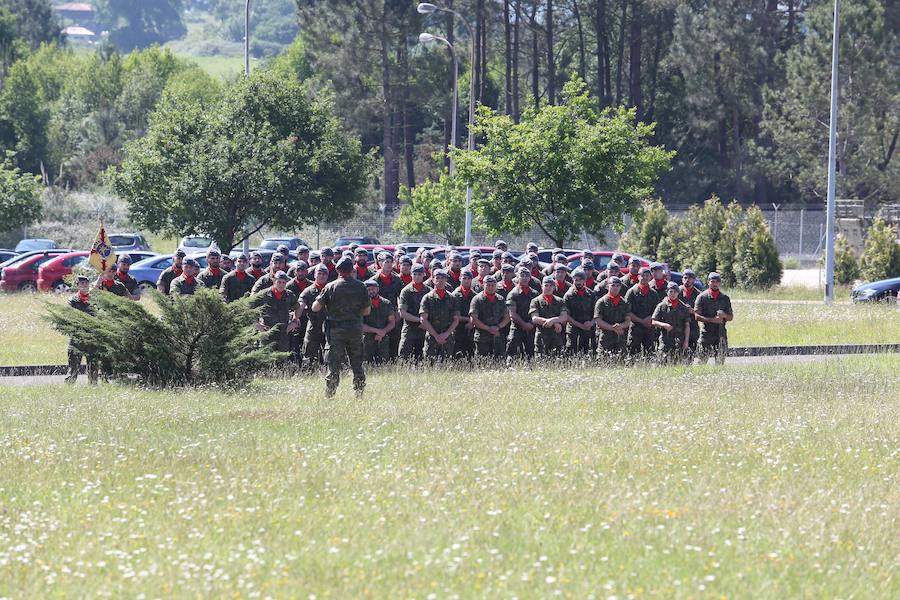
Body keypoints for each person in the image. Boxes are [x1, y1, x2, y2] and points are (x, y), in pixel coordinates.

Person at [311, 256, 370, 398]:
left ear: (337, 270)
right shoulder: (361, 286)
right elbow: (367, 311)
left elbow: (315, 308)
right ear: (352, 270)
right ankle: (359, 394)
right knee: (357, 363)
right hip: (355, 330)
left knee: (334, 365)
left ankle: (330, 395)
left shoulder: (330, 287)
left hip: (336, 331)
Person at [251, 271, 300, 354]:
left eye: (284, 282)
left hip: (283, 334)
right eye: (279, 282)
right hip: (267, 333)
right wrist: (256, 323)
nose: (281, 285)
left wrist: (294, 321)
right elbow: (251, 308)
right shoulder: (264, 294)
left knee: (282, 360)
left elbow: (297, 307)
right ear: (274, 281)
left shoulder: (289, 295)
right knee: (266, 359)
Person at [64, 275, 99, 384]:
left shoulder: (94, 300)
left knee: (93, 367)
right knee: (73, 369)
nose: (84, 285)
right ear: (77, 286)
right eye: (82, 283)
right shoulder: (73, 300)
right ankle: (68, 388)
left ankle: (93, 388)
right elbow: (72, 317)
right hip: (76, 339)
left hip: (91, 338)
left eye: (86, 283)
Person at [419, 269, 459, 361]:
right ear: (433, 279)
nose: (440, 280)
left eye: (443, 278)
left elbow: (456, 319)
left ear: (446, 280)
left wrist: (447, 333)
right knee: (429, 365)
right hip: (432, 337)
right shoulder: (427, 298)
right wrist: (436, 336)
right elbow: (423, 319)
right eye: (437, 278)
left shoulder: (452, 298)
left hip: (447, 337)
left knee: (447, 365)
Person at [694, 272, 733, 365]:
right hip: (706, 333)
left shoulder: (725, 298)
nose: (715, 284)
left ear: (720, 283)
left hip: (721, 333)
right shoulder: (702, 297)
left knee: (720, 362)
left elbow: (730, 317)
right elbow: (697, 316)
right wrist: (712, 320)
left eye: (717, 282)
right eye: (712, 281)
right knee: (702, 361)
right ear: (708, 282)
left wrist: (724, 315)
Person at [469, 275, 509, 358]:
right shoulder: (477, 299)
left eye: (493, 285)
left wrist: (498, 327)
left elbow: (507, 317)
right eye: (488, 285)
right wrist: (489, 329)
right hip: (482, 337)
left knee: (499, 362)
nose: (490, 287)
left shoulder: (500, 299)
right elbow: (473, 319)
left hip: (497, 336)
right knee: (482, 363)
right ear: (483, 285)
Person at [652, 281, 691, 363]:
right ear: (667, 292)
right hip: (665, 340)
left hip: (679, 340)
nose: (673, 294)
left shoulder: (683, 307)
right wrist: (664, 325)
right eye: (671, 291)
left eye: (675, 292)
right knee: (663, 362)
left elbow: (687, 325)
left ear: (678, 293)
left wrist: (686, 341)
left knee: (678, 363)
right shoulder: (661, 306)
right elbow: (654, 321)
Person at [398, 263, 430, 361]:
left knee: (422, 356)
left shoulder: (429, 291)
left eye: (419, 274)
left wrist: (424, 322)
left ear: (424, 275)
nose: (417, 277)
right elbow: (402, 313)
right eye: (414, 274)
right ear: (411, 274)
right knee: (404, 355)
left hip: (425, 328)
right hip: (409, 328)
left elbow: (433, 311)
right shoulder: (406, 291)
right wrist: (419, 320)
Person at [299, 264, 330, 369]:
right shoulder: (308, 291)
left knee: (330, 354)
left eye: (324, 274)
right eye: (319, 274)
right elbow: (301, 305)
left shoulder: (332, 288)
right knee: (308, 354)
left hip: (330, 326)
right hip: (313, 326)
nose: (321, 276)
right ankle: (307, 374)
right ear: (315, 275)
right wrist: (295, 318)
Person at [529, 276, 569, 357]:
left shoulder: (560, 301)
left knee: (558, 361)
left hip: (557, 337)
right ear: (542, 286)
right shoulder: (535, 301)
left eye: (551, 285)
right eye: (546, 285)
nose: (548, 288)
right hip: (541, 337)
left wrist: (553, 320)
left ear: (554, 287)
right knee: (541, 363)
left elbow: (564, 317)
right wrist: (554, 323)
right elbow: (535, 318)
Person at [504, 266, 538, 361]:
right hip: (517, 327)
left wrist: (531, 324)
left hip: (531, 327)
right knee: (512, 353)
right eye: (522, 275)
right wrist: (524, 324)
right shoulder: (513, 294)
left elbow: (537, 311)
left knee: (531, 353)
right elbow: (512, 313)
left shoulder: (534, 293)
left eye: (527, 276)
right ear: (517, 277)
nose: (524, 278)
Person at [624, 267, 658, 359]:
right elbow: (627, 312)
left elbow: (657, 311)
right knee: (633, 354)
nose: (645, 278)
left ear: (651, 277)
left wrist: (650, 318)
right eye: (642, 275)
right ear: (638, 277)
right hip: (635, 328)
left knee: (650, 354)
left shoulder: (654, 293)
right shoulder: (631, 292)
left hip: (649, 328)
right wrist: (641, 321)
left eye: (647, 276)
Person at [594, 277, 630, 360]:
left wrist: (621, 326)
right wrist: (612, 328)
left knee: (621, 360)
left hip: (620, 337)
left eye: (618, 285)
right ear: (607, 287)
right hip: (605, 337)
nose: (615, 287)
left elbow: (628, 320)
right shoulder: (601, 302)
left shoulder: (624, 303)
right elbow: (598, 320)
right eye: (613, 285)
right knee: (603, 361)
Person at [362, 279, 396, 365]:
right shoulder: (361, 304)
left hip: (383, 339)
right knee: (366, 365)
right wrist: (377, 331)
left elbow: (392, 322)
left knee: (384, 365)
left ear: (378, 289)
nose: (371, 291)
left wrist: (383, 332)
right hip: (366, 340)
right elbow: (359, 325)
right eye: (368, 290)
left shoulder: (386, 303)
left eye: (373, 289)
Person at [564, 268, 596, 355]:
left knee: (588, 354)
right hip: (574, 331)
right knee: (572, 354)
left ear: (584, 280)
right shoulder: (568, 295)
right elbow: (566, 316)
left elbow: (596, 313)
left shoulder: (591, 294)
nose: (578, 282)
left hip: (588, 330)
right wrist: (581, 326)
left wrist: (591, 323)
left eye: (580, 280)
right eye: (576, 280)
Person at [452, 271, 477, 359]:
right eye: (464, 278)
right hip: (457, 328)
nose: (466, 281)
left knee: (470, 352)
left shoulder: (475, 295)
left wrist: (472, 323)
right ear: (460, 279)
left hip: (471, 329)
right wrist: (469, 320)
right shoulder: (454, 295)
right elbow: (454, 315)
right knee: (457, 353)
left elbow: (479, 313)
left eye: (469, 279)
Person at [679, 269, 701, 357]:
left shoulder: (698, 295)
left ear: (694, 280)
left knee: (691, 352)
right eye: (685, 278)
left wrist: (692, 311)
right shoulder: (676, 291)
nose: (687, 280)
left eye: (690, 278)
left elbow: (703, 314)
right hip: (678, 325)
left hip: (693, 327)